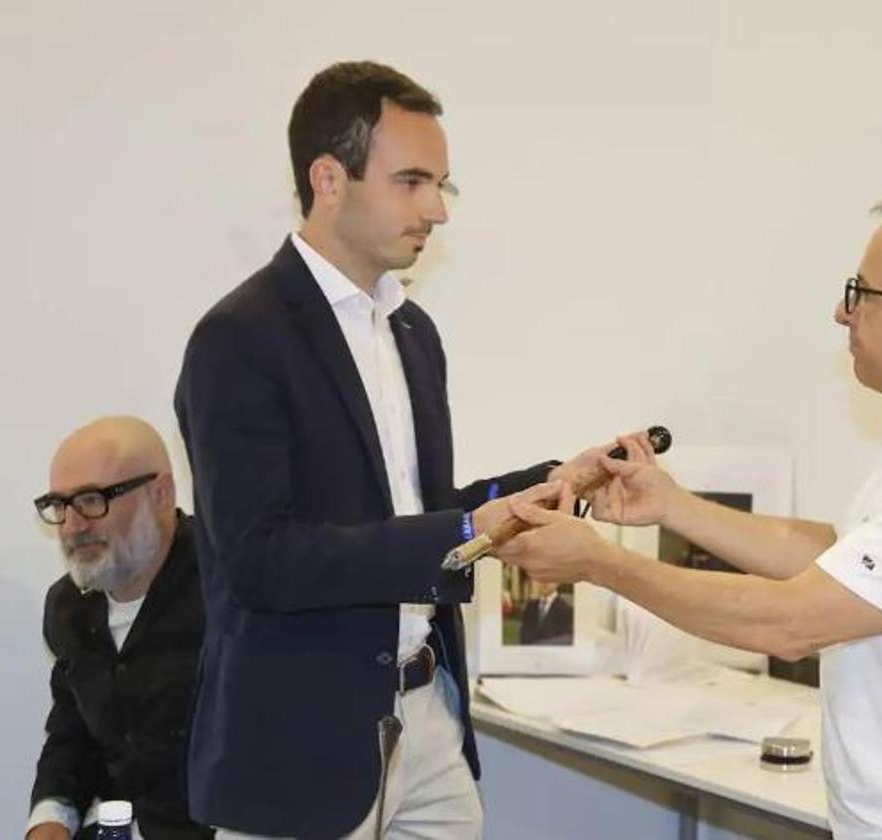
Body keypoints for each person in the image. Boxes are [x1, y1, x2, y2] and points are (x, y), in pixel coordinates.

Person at [497, 189, 882, 838]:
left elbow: (790, 623)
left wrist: (598, 563)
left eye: (863, 292)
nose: (841, 312)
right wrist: (674, 507)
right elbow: (841, 561)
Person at [174, 61, 596, 839]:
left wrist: (546, 485)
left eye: (443, 185)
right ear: (329, 179)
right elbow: (260, 561)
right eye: (411, 182)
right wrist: (465, 532)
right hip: (301, 749)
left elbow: (415, 516)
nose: (437, 209)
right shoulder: (239, 339)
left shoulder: (411, 331)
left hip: (428, 720)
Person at [27, 417, 209, 840]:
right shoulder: (67, 607)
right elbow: (73, 736)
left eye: (92, 500)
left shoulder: (229, 588)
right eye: (59, 505)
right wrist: (50, 821)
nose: (73, 525)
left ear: (160, 493)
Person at [518, 581, 574, 646]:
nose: (544, 583)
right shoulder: (530, 607)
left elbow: (564, 641)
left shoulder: (566, 610)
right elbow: (523, 637)